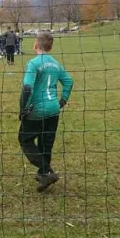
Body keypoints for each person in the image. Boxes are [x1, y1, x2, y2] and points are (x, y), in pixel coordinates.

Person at [18, 31, 74, 192]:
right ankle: (44, 174)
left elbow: (27, 87)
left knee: (25, 139)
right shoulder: (56, 63)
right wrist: (62, 100)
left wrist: (23, 108)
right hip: (53, 110)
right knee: (46, 143)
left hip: (37, 110)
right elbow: (69, 81)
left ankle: (47, 171)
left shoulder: (34, 63)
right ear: (51, 46)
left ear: (35, 45)